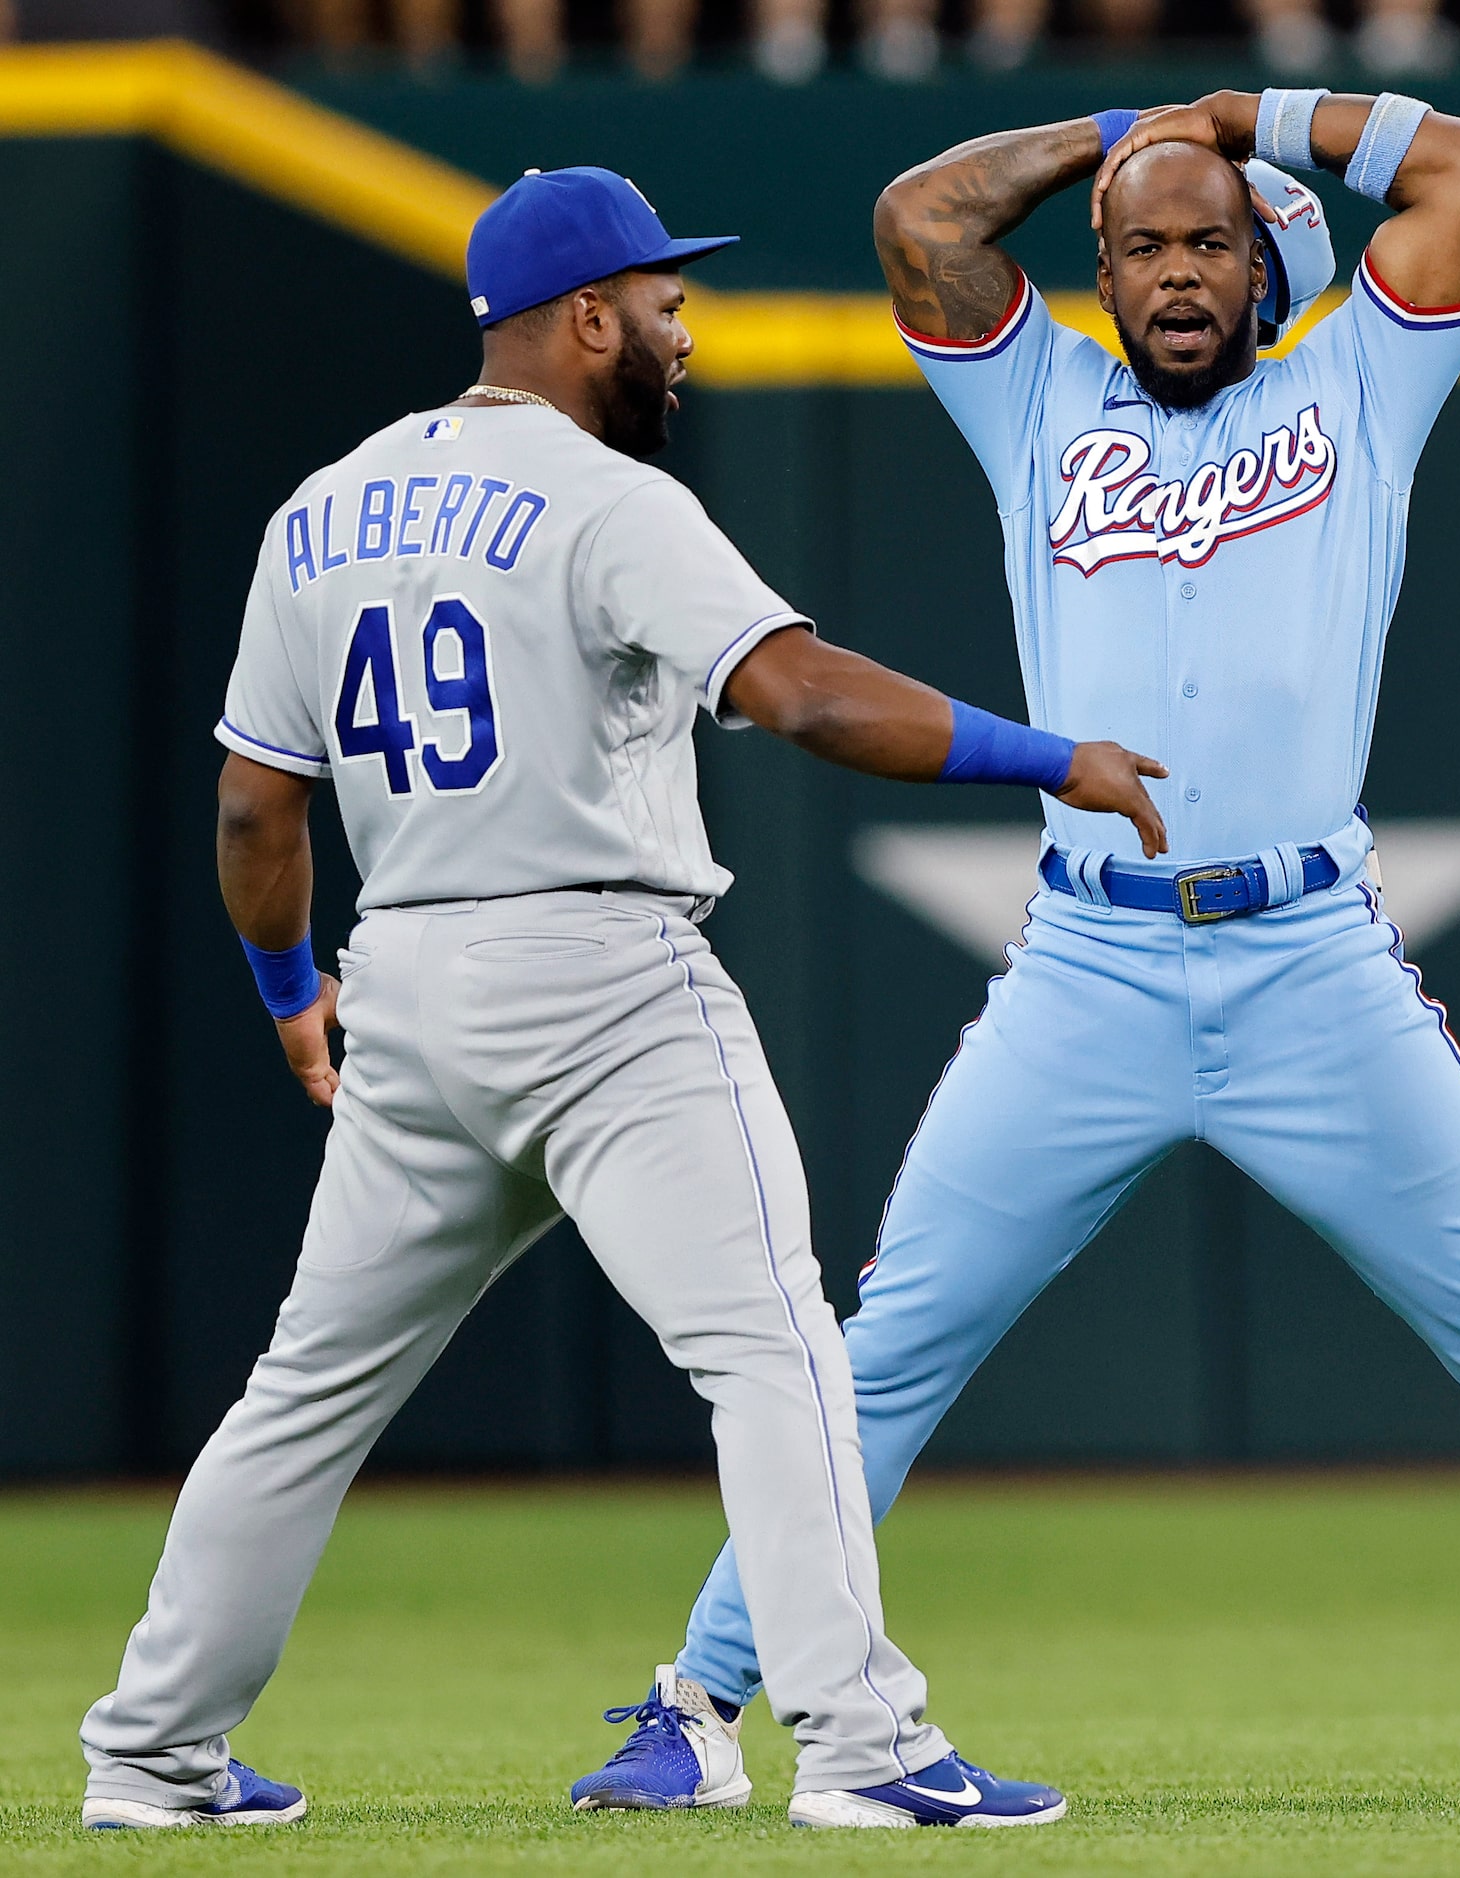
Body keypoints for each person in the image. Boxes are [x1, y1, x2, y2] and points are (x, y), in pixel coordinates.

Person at [585, 93, 1460, 1805]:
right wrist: (1122, 130)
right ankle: (696, 1702)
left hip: (1314, 958)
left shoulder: (1357, 380)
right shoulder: (1039, 395)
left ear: (1267, 257)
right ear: (1097, 273)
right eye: (1142, 249)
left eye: (1207, 242)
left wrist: (1251, 120)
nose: (1177, 275)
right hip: (1088, 968)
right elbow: (920, 221)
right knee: (883, 1349)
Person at [76, 163, 1169, 1833]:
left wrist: (295, 991)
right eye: (663, 300)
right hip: (601, 975)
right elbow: (797, 694)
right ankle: (867, 1750)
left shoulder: (322, 507)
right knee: (782, 1349)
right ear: (584, 316)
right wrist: (1053, 755)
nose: (683, 327)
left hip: (411, 986)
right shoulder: (606, 502)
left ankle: (150, 1753)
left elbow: (251, 806)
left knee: (302, 1396)